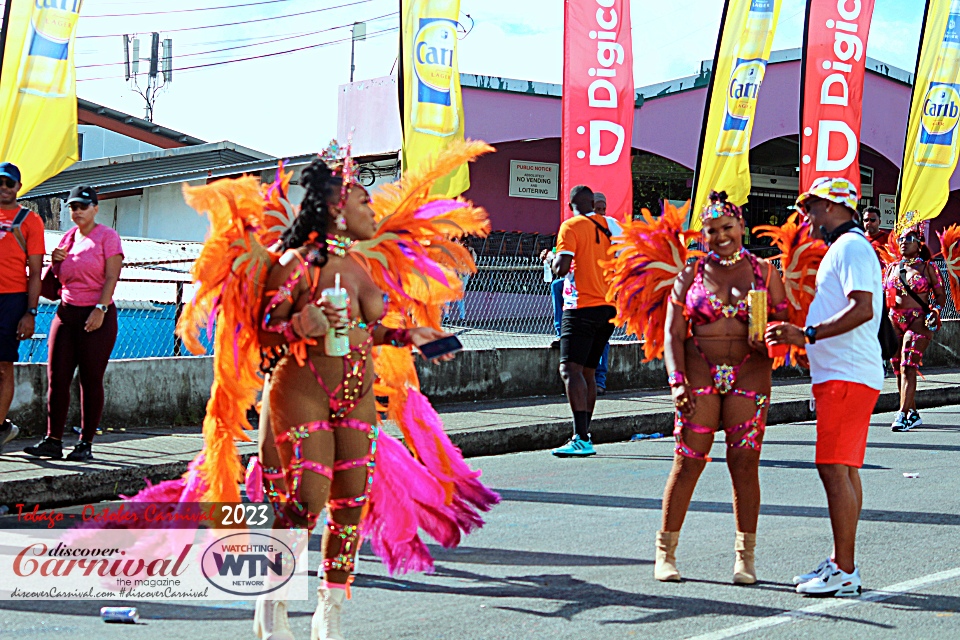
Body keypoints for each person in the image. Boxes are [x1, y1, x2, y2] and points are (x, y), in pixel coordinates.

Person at [655, 191, 787, 584]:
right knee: (688, 461)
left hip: (750, 374)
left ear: (741, 227)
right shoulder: (690, 275)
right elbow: (672, 334)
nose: (720, 236)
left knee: (744, 463)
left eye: (727, 228)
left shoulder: (766, 273)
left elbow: (782, 326)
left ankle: (745, 559)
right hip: (699, 375)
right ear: (704, 235)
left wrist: (769, 337)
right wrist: (676, 382)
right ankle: (666, 553)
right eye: (711, 231)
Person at [767, 177, 883, 597]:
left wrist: (807, 334)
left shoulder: (850, 246)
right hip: (846, 374)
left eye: (812, 207)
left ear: (833, 207)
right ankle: (841, 562)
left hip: (847, 375)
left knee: (834, 468)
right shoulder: (849, 246)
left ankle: (845, 570)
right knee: (843, 469)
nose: (807, 216)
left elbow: (862, 308)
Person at [24, 186, 123, 461]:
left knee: (90, 380)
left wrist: (100, 309)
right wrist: (54, 263)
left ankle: (85, 443)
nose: (77, 211)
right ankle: (53, 440)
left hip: (96, 315)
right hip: (67, 313)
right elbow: (55, 284)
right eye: (72, 207)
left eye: (82, 206)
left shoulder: (107, 237)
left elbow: (111, 277)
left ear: (95, 208)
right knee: (57, 378)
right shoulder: (67, 238)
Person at [550, 186, 617, 457]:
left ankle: (580, 437)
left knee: (569, 370)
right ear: (593, 203)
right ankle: (585, 434)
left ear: (570, 205)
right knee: (588, 372)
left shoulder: (570, 226)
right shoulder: (613, 226)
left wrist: (554, 259)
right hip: (609, 307)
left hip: (580, 307)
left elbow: (562, 268)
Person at [883, 222, 945, 432]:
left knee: (908, 363)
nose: (903, 243)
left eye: (909, 239)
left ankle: (901, 414)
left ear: (919, 244)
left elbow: (940, 297)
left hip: (918, 321)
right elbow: (884, 297)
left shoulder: (928, 267)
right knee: (898, 367)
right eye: (901, 239)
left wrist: (935, 312)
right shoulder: (892, 268)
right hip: (894, 322)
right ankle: (913, 413)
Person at [0, 162, 43, 454]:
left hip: (12, 299)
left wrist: (30, 312)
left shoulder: (30, 221)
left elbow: (36, 271)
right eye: (0, 183)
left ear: (18, 187)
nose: (4, 188)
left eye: (9, 183)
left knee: (4, 367)